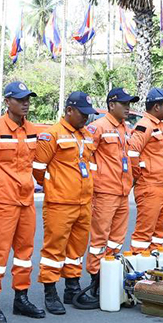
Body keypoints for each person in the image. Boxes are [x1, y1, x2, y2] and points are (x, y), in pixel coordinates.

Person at [0, 81, 43, 323]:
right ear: (7, 101)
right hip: (3, 201)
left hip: (26, 200)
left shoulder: (32, 130)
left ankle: (21, 298)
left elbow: (34, 163)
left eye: (28, 99)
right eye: (20, 99)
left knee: (25, 253)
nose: (25, 103)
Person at [33, 91, 98, 311]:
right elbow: (38, 170)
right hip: (59, 203)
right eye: (82, 113)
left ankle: (72, 288)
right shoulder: (51, 135)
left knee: (76, 250)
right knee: (54, 250)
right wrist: (56, 186)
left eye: (88, 114)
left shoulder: (86, 135)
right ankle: (50, 292)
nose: (86, 118)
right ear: (69, 110)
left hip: (84, 202)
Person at [83, 87, 137, 296]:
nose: (128, 108)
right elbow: (85, 157)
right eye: (124, 104)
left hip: (122, 192)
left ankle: (110, 273)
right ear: (111, 105)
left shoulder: (125, 128)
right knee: (100, 239)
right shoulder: (98, 127)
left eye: (129, 104)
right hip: (104, 192)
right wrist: (94, 183)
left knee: (116, 238)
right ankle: (95, 279)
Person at [128, 87, 163, 255]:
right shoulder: (144, 125)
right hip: (150, 187)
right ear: (157, 107)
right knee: (143, 234)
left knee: (159, 234)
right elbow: (132, 152)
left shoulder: (162, 126)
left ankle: (154, 263)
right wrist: (139, 176)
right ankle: (138, 264)